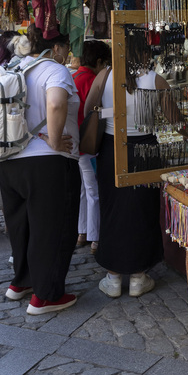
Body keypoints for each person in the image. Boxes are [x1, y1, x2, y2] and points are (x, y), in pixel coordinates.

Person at [0, 28, 81, 315]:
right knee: (52, 228)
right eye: (67, 46)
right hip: (47, 161)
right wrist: (55, 140)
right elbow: (56, 102)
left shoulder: (12, 65)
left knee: (21, 226)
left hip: (9, 159)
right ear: (56, 48)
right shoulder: (54, 70)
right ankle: (46, 296)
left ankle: (21, 282)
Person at [81, 38, 169, 298]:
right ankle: (139, 277)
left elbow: (89, 110)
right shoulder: (155, 79)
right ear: (144, 54)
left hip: (112, 149)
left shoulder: (106, 75)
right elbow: (175, 118)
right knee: (143, 209)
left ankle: (113, 277)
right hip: (145, 151)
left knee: (113, 209)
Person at [73, 40, 110, 252]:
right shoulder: (90, 80)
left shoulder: (74, 76)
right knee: (93, 191)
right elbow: (95, 112)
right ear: (98, 62)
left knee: (83, 191)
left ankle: (82, 232)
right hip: (87, 144)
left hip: (77, 144)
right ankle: (96, 237)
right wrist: (117, 112)